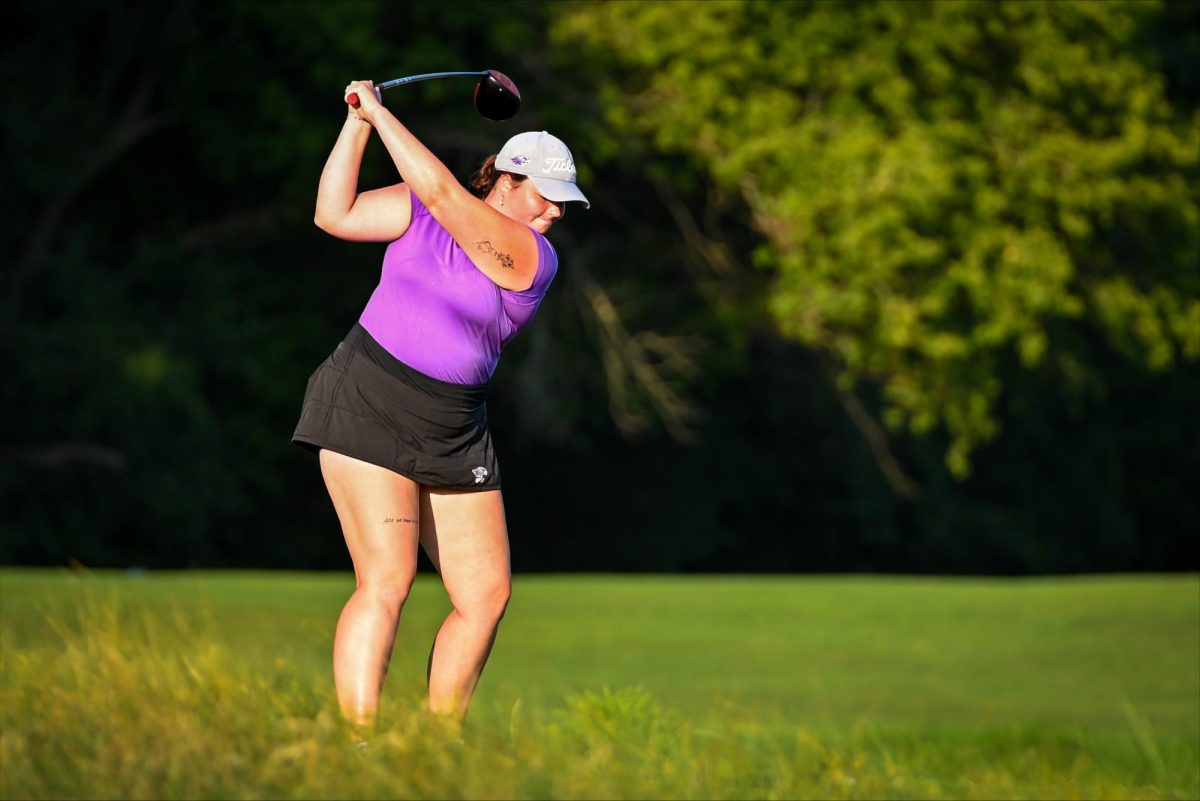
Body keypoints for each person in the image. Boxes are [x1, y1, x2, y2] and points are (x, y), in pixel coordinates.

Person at [291, 79, 589, 733]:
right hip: (368, 396)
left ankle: (437, 740)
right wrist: (358, 123)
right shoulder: (421, 210)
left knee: (485, 596)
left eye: (565, 204)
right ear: (508, 179)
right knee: (387, 580)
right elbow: (333, 213)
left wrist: (382, 112)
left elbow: (445, 194)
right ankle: (359, 743)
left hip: (453, 426)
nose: (556, 213)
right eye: (548, 197)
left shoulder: (533, 258)